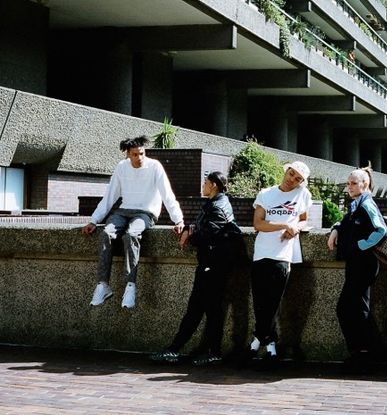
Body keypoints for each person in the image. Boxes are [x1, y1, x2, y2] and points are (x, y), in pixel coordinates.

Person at [151, 171, 243, 365]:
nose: (203, 186)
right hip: (213, 265)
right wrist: (190, 228)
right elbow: (204, 226)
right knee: (206, 310)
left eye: (206, 183)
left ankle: (188, 350)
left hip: (213, 266)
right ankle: (190, 350)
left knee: (204, 310)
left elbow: (207, 235)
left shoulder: (217, 207)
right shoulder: (218, 203)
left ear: (214, 186)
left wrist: (190, 235)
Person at [82, 135, 184, 309]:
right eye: (135, 154)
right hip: (124, 210)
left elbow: (167, 194)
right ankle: (102, 285)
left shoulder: (155, 167)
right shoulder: (122, 168)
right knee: (106, 233)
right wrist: (94, 220)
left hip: (146, 213)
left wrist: (178, 219)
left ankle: (130, 287)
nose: (140, 158)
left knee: (131, 234)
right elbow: (110, 196)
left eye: (142, 153)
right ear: (128, 155)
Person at [246, 160, 312, 364]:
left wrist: (296, 228)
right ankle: (267, 342)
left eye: (298, 179)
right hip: (261, 253)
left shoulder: (303, 195)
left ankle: (260, 341)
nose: (293, 180)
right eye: (291, 174)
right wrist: (284, 224)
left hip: (283, 255)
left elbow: (303, 219)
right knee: (259, 301)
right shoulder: (266, 194)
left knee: (273, 302)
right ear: (286, 171)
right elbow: (258, 224)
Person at [327, 166, 387, 371]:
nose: (349, 187)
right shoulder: (357, 204)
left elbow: (381, 230)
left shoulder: (367, 204)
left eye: (353, 183)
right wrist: (335, 230)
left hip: (364, 264)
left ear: (365, 184)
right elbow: (345, 222)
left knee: (351, 308)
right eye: (348, 183)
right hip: (357, 264)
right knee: (354, 307)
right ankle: (364, 352)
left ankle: (364, 353)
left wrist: (359, 246)